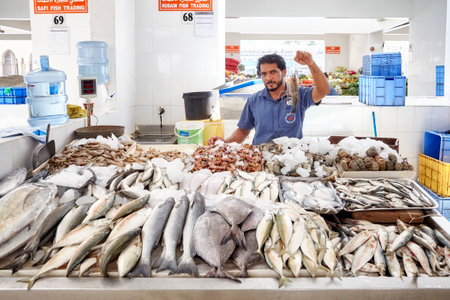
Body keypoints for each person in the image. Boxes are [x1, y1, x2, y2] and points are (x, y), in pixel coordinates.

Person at [208, 51, 330, 145]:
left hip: (291, 159)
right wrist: (224, 143)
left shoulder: (299, 95)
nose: (268, 78)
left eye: (273, 72)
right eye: (264, 74)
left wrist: (311, 64)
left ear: (284, 72)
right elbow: (243, 131)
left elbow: (323, 90)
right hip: (260, 158)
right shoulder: (254, 100)